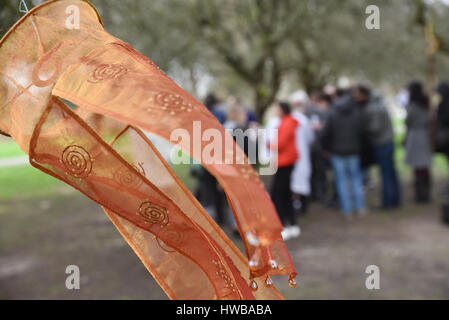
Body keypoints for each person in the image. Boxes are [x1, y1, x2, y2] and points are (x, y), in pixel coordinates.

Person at [353, 85, 401, 210]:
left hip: (381, 144)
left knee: (386, 174)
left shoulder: (373, 108)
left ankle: (388, 202)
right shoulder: (380, 105)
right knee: (391, 173)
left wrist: (363, 128)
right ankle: (395, 199)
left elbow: (375, 128)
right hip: (388, 142)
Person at [321, 92, 366, 219]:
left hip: (337, 152)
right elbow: (362, 132)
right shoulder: (356, 113)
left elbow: (325, 133)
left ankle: (347, 209)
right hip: (353, 151)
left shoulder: (332, 113)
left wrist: (326, 148)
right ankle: (360, 206)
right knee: (356, 179)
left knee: (341, 181)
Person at [269, 102, 300, 239]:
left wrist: (267, 143)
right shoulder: (286, 122)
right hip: (284, 161)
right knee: (285, 193)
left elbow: (280, 143)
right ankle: (292, 224)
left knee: (278, 194)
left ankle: (283, 225)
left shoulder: (287, 123)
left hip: (285, 162)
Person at [404, 81, 432, 203]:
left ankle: (420, 195)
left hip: (416, 136)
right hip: (425, 136)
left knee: (418, 168)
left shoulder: (413, 105)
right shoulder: (425, 102)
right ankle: (425, 194)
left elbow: (408, 121)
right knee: (424, 167)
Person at [289, 91, 314, 215]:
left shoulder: (301, 120)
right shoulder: (303, 120)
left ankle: (299, 204)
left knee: (298, 179)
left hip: (298, 155)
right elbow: (311, 138)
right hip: (298, 155)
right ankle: (299, 205)